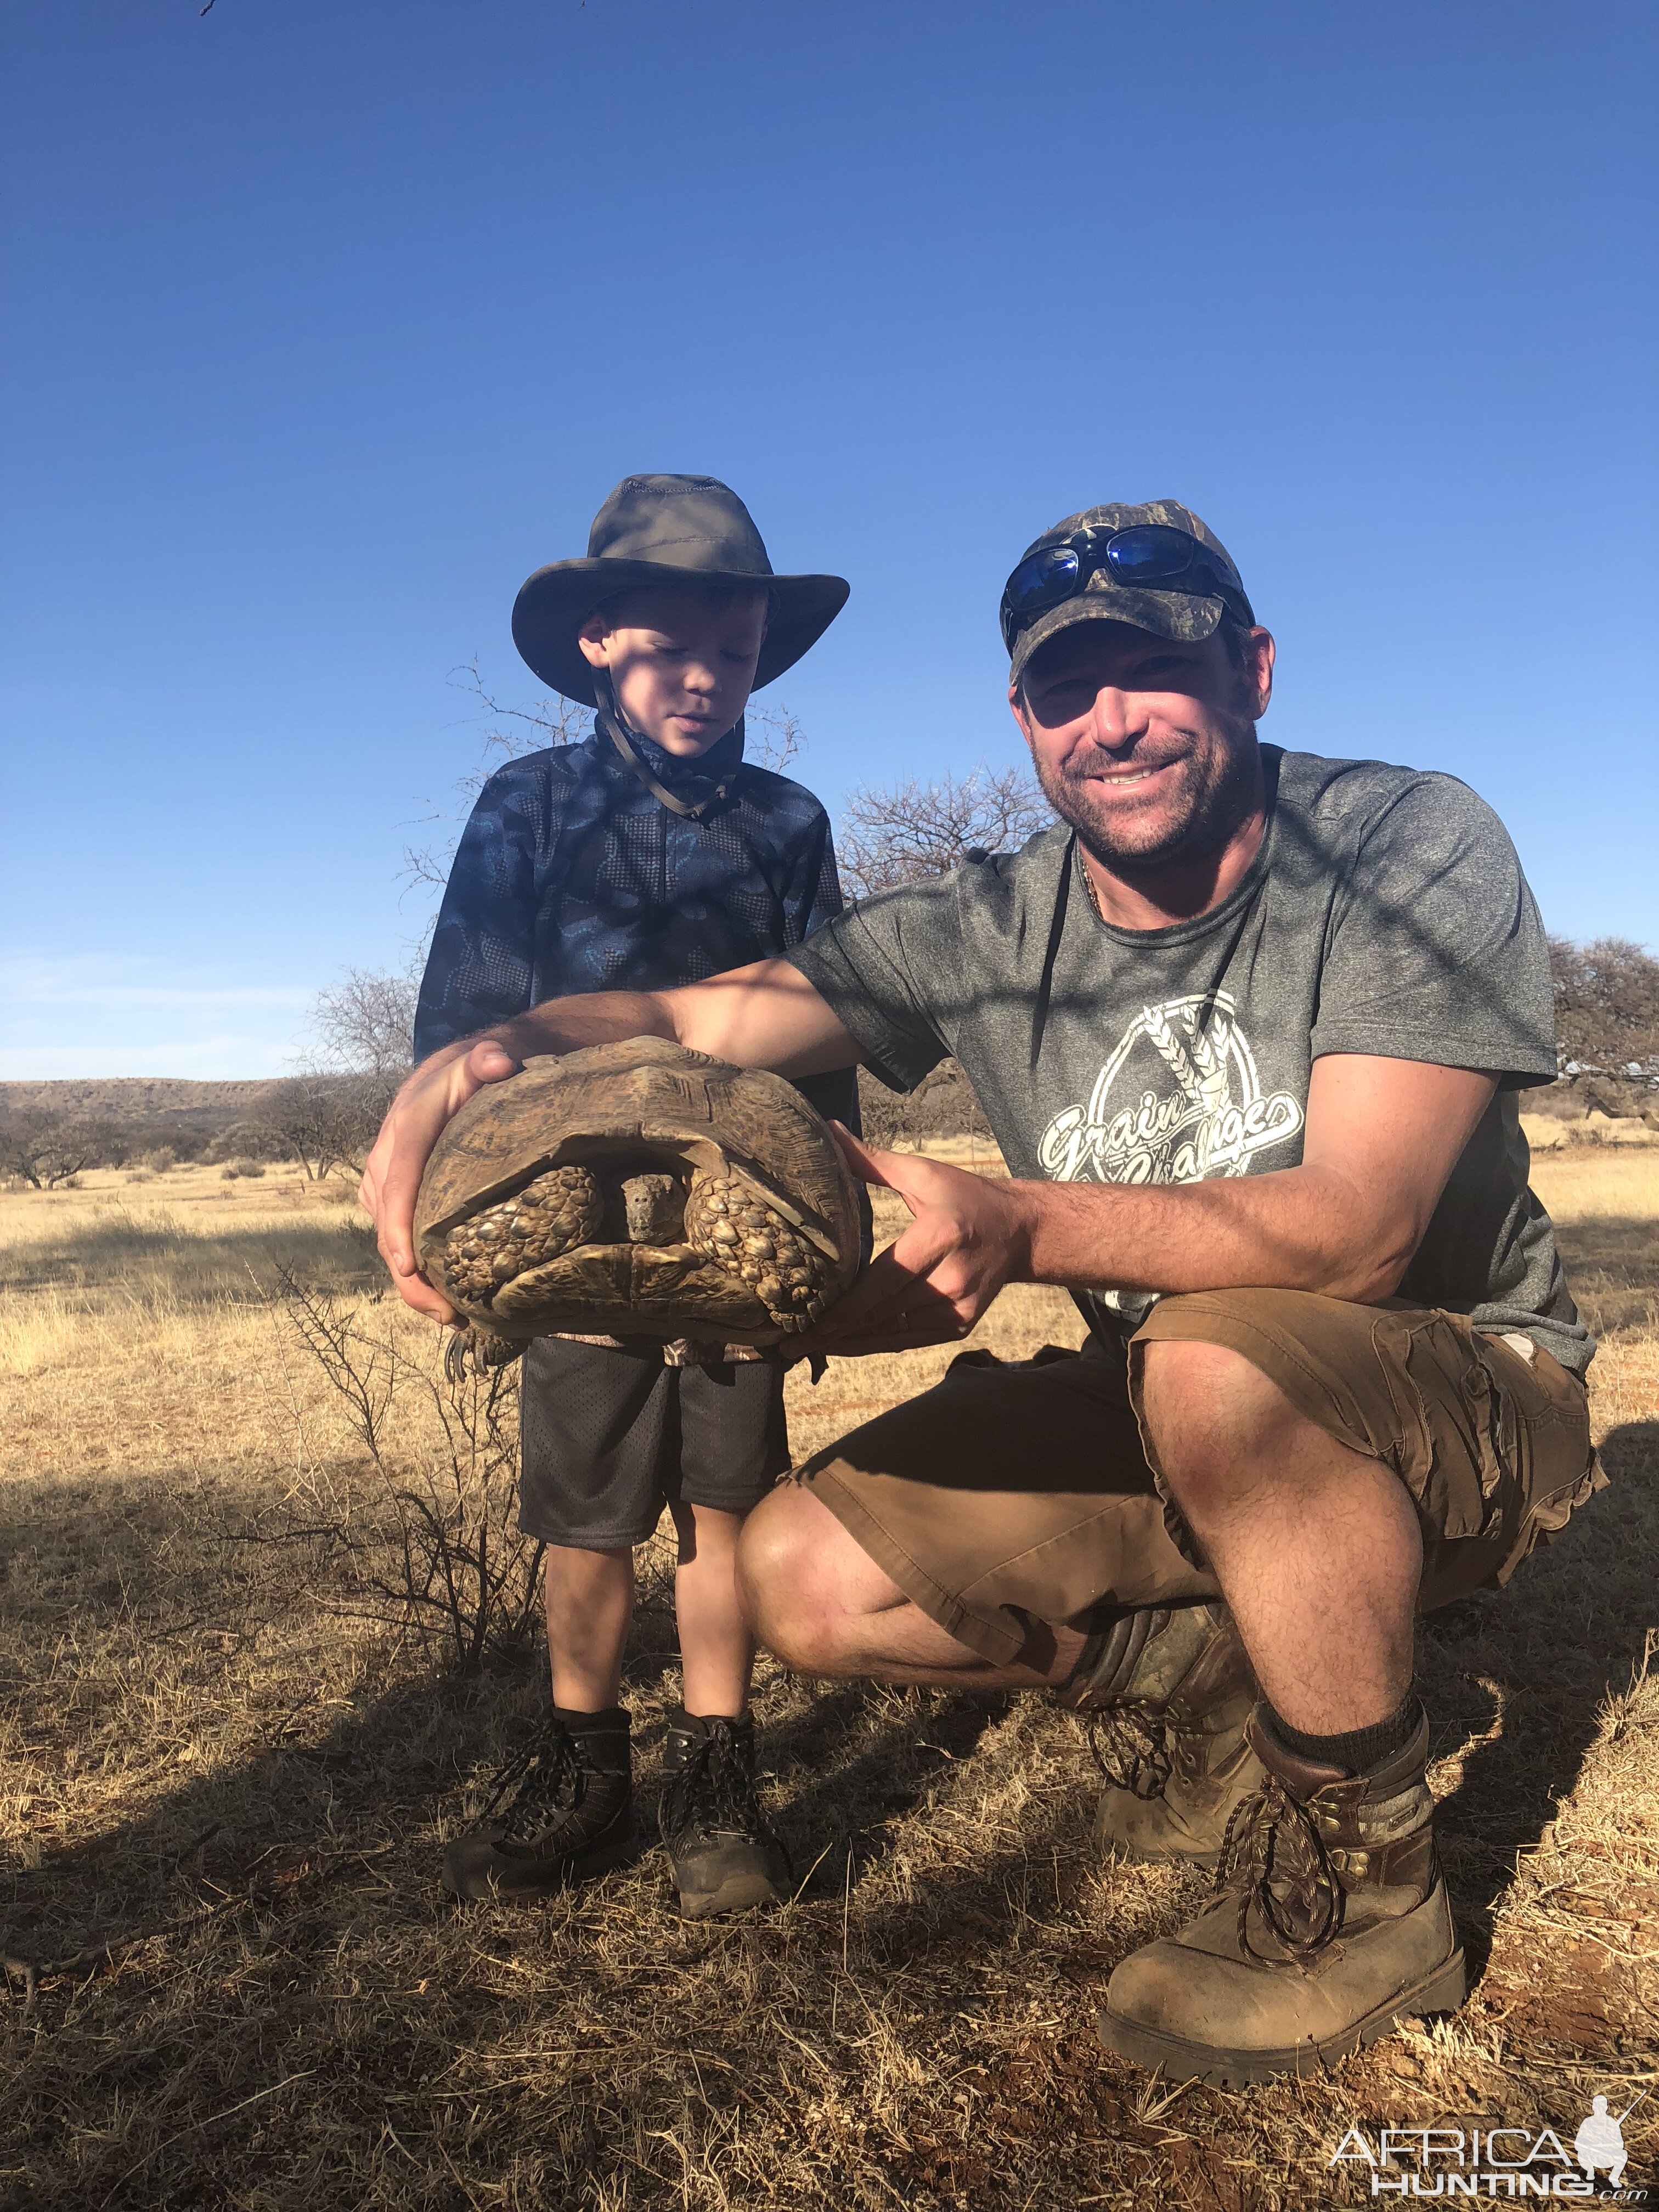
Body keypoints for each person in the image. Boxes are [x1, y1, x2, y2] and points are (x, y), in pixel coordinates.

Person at [364, 498, 1604, 2082]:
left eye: (1154, 668)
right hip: (1192, 1404)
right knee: (802, 1576)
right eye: (1065, 686)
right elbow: (709, 1013)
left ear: (1255, 670)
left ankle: (1368, 1893)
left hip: (1457, 1390)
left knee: (1221, 1363)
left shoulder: (1403, 840)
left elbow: (1358, 1233)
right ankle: (1228, 1693)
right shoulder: (986, 923)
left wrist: (1017, 1221)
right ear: (1022, 721)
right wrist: (501, 1053)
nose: (1113, 720)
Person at [412, 473, 856, 1918]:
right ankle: (584, 1766)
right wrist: (440, 1208)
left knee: (727, 1514)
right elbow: (463, 1032)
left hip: (738, 1227)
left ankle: (717, 1785)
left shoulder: (789, 821)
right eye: (672, 648)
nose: (706, 679)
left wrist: (830, 1243)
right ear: (600, 638)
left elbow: (825, 1029)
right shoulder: (526, 807)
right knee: (586, 1519)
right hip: (566, 1223)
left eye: (732, 654)